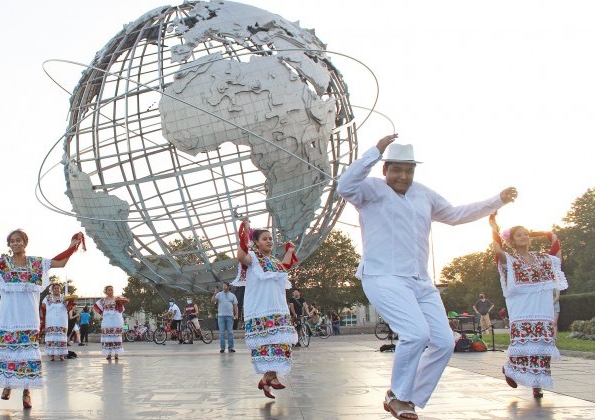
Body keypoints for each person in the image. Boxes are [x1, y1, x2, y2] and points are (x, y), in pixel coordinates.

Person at [336, 134, 516, 419]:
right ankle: (398, 395)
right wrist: (375, 151)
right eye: (396, 169)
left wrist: (497, 200)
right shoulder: (369, 190)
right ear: (385, 170)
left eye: (408, 170)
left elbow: (457, 214)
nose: (403, 176)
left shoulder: (424, 194)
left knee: (444, 342)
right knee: (415, 334)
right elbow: (344, 186)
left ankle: (406, 396)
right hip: (383, 276)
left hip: (420, 281)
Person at [0, 229, 82, 410]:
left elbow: (61, 262)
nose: (15, 243)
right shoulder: (2, 264)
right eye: (12, 241)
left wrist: (73, 246)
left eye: (19, 240)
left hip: (28, 317)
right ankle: (7, 384)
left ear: (25, 243)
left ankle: (27, 392)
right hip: (9, 317)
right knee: (8, 352)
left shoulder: (36, 264)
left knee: (28, 355)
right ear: (9, 245)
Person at [490, 213, 567, 399]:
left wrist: (543, 233)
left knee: (542, 344)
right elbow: (497, 251)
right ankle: (510, 368)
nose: (524, 236)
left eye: (526, 234)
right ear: (513, 241)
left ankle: (537, 384)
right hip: (523, 306)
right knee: (524, 342)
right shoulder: (511, 259)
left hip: (542, 305)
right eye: (519, 234)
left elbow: (557, 250)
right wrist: (494, 228)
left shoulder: (542, 258)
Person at [234, 219, 298, 399]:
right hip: (261, 309)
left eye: (271, 238)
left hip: (279, 309)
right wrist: (245, 235)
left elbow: (284, 267)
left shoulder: (274, 261)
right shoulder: (253, 258)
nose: (269, 241)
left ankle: (267, 378)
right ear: (256, 242)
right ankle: (270, 378)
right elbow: (240, 256)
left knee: (282, 343)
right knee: (266, 344)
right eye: (264, 239)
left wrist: (290, 251)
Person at [94, 285, 129, 360]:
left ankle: (116, 353)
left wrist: (120, 304)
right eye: (109, 290)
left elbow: (121, 309)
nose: (111, 291)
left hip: (116, 318)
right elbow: (95, 306)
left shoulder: (117, 299)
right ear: (106, 291)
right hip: (107, 319)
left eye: (112, 290)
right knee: (108, 336)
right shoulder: (103, 300)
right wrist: (101, 313)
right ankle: (108, 354)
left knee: (116, 335)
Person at [41, 283, 73, 361]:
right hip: (51, 320)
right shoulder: (48, 297)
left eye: (58, 288)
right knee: (52, 337)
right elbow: (43, 305)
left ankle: (61, 355)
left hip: (61, 321)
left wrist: (70, 302)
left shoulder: (64, 297)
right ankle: (52, 355)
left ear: (60, 289)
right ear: (52, 289)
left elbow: (69, 307)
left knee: (61, 338)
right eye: (55, 288)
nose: (56, 289)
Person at [212, 282, 239, 353]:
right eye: (223, 286)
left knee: (230, 332)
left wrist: (236, 314)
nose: (224, 287)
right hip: (221, 316)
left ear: (228, 287)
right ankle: (222, 348)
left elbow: (235, 306)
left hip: (230, 316)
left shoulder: (232, 295)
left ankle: (231, 347)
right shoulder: (219, 294)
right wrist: (215, 293)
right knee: (222, 333)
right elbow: (212, 301)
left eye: (225, 286)